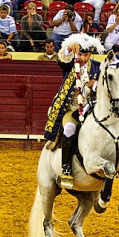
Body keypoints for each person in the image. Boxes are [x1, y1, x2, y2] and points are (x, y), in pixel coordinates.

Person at [44, 34, 104, 187]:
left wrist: (95, 85)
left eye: (85, 55)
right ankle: (66, 168)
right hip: (72, 109)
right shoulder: (70, 64)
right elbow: (61, 60)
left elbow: (107, 86)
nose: (82, 58)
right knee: (70, 128)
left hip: (92, 110)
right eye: (80, 54)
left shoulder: (98, 67)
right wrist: (68, 49)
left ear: (90, 55)